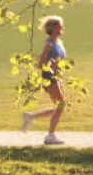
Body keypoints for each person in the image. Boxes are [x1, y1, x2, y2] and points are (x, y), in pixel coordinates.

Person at [22, 15, 70, 145]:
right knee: (60, 105)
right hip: (49, 77)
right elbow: (40, 63)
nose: (63, 27)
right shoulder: (49, 43)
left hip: (57, 76)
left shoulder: (58, 42)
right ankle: (50, 135)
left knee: (60, 105)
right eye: (60, 25)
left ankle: (30, 117)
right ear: (54, 27)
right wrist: (51, 67)